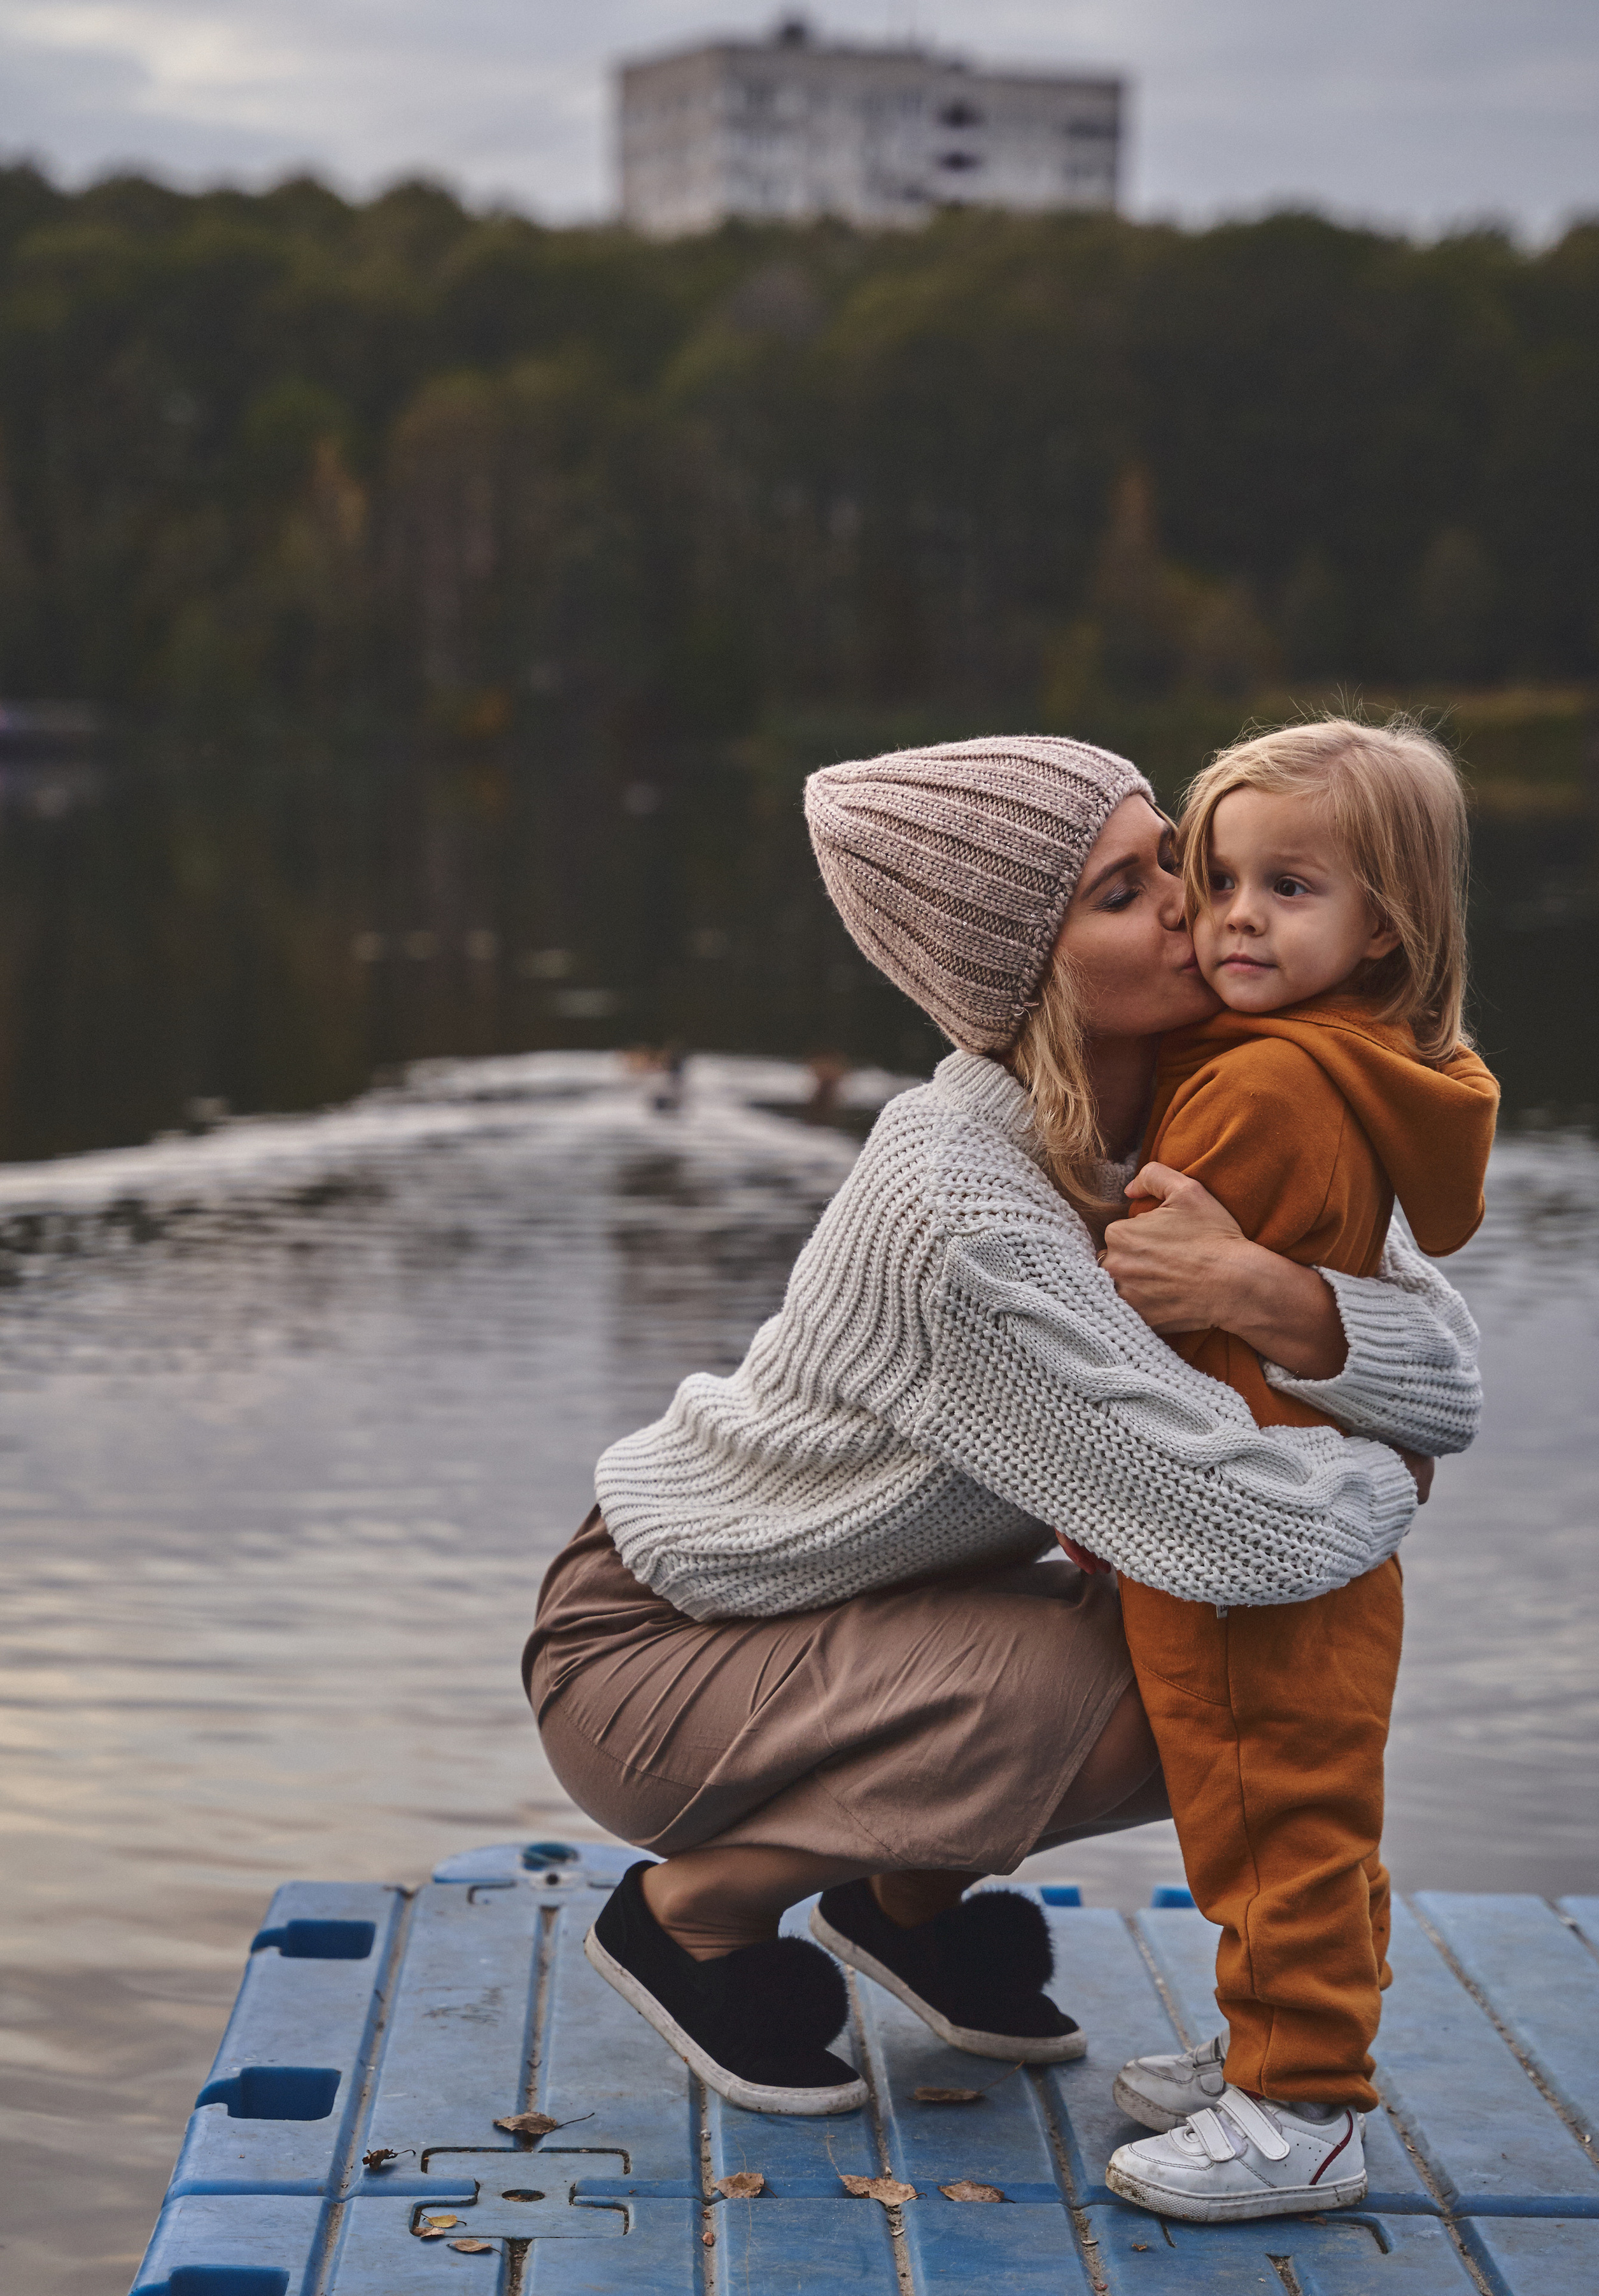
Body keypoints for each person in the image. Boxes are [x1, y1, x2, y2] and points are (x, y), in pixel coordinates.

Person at [521, 734, 1482, 2132]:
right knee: (1182, 1678)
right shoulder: (957, 1204)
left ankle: (899, 1902)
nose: (1191, 902)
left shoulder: (1202, 1094)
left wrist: (1269, 1296)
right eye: (1122, 892)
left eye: (1173, 855)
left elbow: (1448, 1372)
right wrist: (1384, 1472)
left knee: (1194, 1648)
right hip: (654, 1656)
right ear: (1022, 971)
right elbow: (1248, 1529)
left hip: (855, 1615)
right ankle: (690, 1914)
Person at [1057, 720, 1497, 2222]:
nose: (1232, 914)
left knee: (1275, 1813)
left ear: (1386, 920)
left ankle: (1300, 2110)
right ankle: (1276, 2051)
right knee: (1292, 1805)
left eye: (1288, 886)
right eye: (1215, 874)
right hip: (1298, 1510)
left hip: (1253, 1524)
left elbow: (1132, 1301)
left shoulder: (1262, 1093)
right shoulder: (1339, 1066)